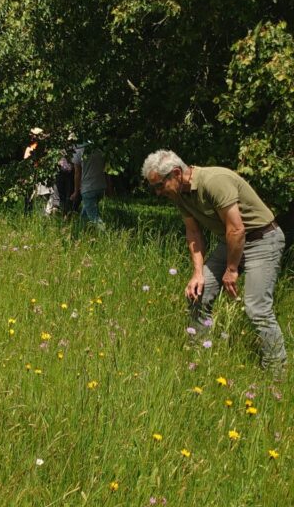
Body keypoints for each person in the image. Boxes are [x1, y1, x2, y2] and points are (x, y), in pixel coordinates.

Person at [142, 149, 286, 372]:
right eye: (154, 188)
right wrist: (197, 273)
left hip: (262, 239)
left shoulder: (214, 181)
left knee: (257, 308)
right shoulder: (179, 195)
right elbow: (193, 233)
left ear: (177, 173)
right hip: (230, 243)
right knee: (198, 292)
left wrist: (231, 269)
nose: (158, 192)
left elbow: (237, 229)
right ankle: (198, 357)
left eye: (159, 185)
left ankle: (277, 371)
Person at [70, 139, 107, 226]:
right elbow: (105, 170)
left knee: (94, 217)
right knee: (85, 215)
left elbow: (77, 173)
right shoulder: (99, 150)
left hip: (88, 188)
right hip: (101, 187)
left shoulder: (78, 151)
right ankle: (82, 232)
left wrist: (76, 192)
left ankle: (105, 233)